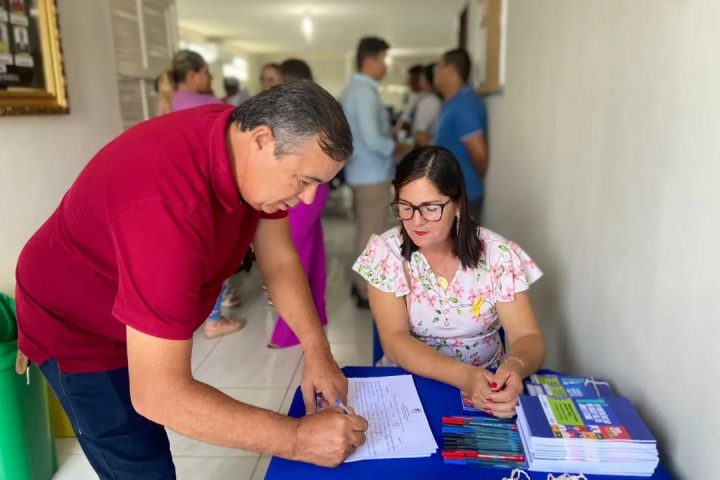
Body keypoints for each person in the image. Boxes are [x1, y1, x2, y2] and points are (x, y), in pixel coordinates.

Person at [16, 81, 368, 478]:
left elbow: (281, 260)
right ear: (262, 139)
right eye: (304, 180)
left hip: (131, 292)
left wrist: (317, 351)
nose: (309, 199)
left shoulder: (236, 138)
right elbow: (159, 394)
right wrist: (298, 438)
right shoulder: (165, 209)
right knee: (139, 460)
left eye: (320, 183)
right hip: (77, 322)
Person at [352, 146, 545, 419]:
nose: (416, 221)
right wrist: (465, 377)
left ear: (458, 205)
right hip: (409, 386)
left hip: (487, 386)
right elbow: (395, 340)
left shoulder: (497, 254)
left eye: (430, 208)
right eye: (405, 207)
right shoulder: (386, 253)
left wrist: (513, 368)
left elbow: (527, 337)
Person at [340, 36, 409, 309]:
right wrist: (398, 147)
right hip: (371, 174)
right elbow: (372, 140)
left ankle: (360, 284)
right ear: (369, 60)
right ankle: (365, 290)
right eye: (383, 60)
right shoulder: (364, 93)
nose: (385, 66)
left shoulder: (355, 90)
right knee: (372, 233)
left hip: (362, 172)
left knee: (366, 231)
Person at [269, 58, 328, 348]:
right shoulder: (316, 108)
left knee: (294, 255)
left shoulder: (296, 111)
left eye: (275, 79)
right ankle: (317, 314)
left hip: (303, 185)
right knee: (311, 251)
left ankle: (288, 331)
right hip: (315, 184)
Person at [434, 48, 488, 223]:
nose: (435, 71)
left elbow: (480, 155)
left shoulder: (465, 105)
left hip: (464, 197)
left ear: (450, 70)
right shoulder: (452, 103)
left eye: (439, 66)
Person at [411, 63, 442, 147]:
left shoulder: (430, 101)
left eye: (421, 78)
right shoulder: (435, 99)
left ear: (427, 81)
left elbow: (419, 135)